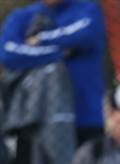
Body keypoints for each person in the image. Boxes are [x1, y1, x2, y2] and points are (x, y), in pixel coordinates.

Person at [0, 0, 106, 145]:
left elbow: (85, 34)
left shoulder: (87, 9)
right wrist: (59, 53)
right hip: (34, 120)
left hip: (83, 118)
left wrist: (40, 39)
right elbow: (8, 53)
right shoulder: (23, 16)